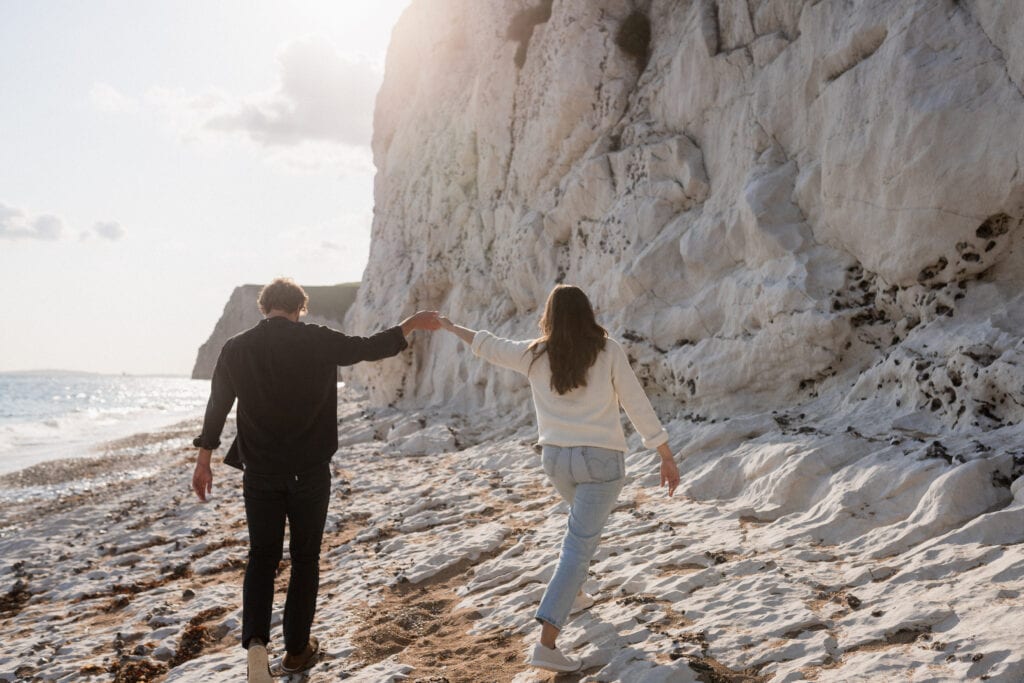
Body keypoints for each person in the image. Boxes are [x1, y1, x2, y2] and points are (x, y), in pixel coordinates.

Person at [190, 277, 440, 682]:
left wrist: (204, 461)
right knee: (305, 560)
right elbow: (366, 347)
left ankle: (256, 645)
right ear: (300, 308)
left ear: (263, 308)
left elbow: (217, 406)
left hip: (261, 474)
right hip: (308, 472)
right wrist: (408, 325)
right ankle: (295, 652)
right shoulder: (317, 340)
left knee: (261, 557)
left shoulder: (236, 349)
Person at [438, 284, 679, 674]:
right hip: (601, 462)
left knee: (578, 535)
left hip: (556, 461)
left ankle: (577, 593)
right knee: (578, 547)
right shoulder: (607, 350)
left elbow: (489, 345)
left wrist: (451, 327)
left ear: (549, 316)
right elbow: (637, 403)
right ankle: (547, 644)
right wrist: (664, 455)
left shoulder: (535, 354)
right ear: (587, 313)